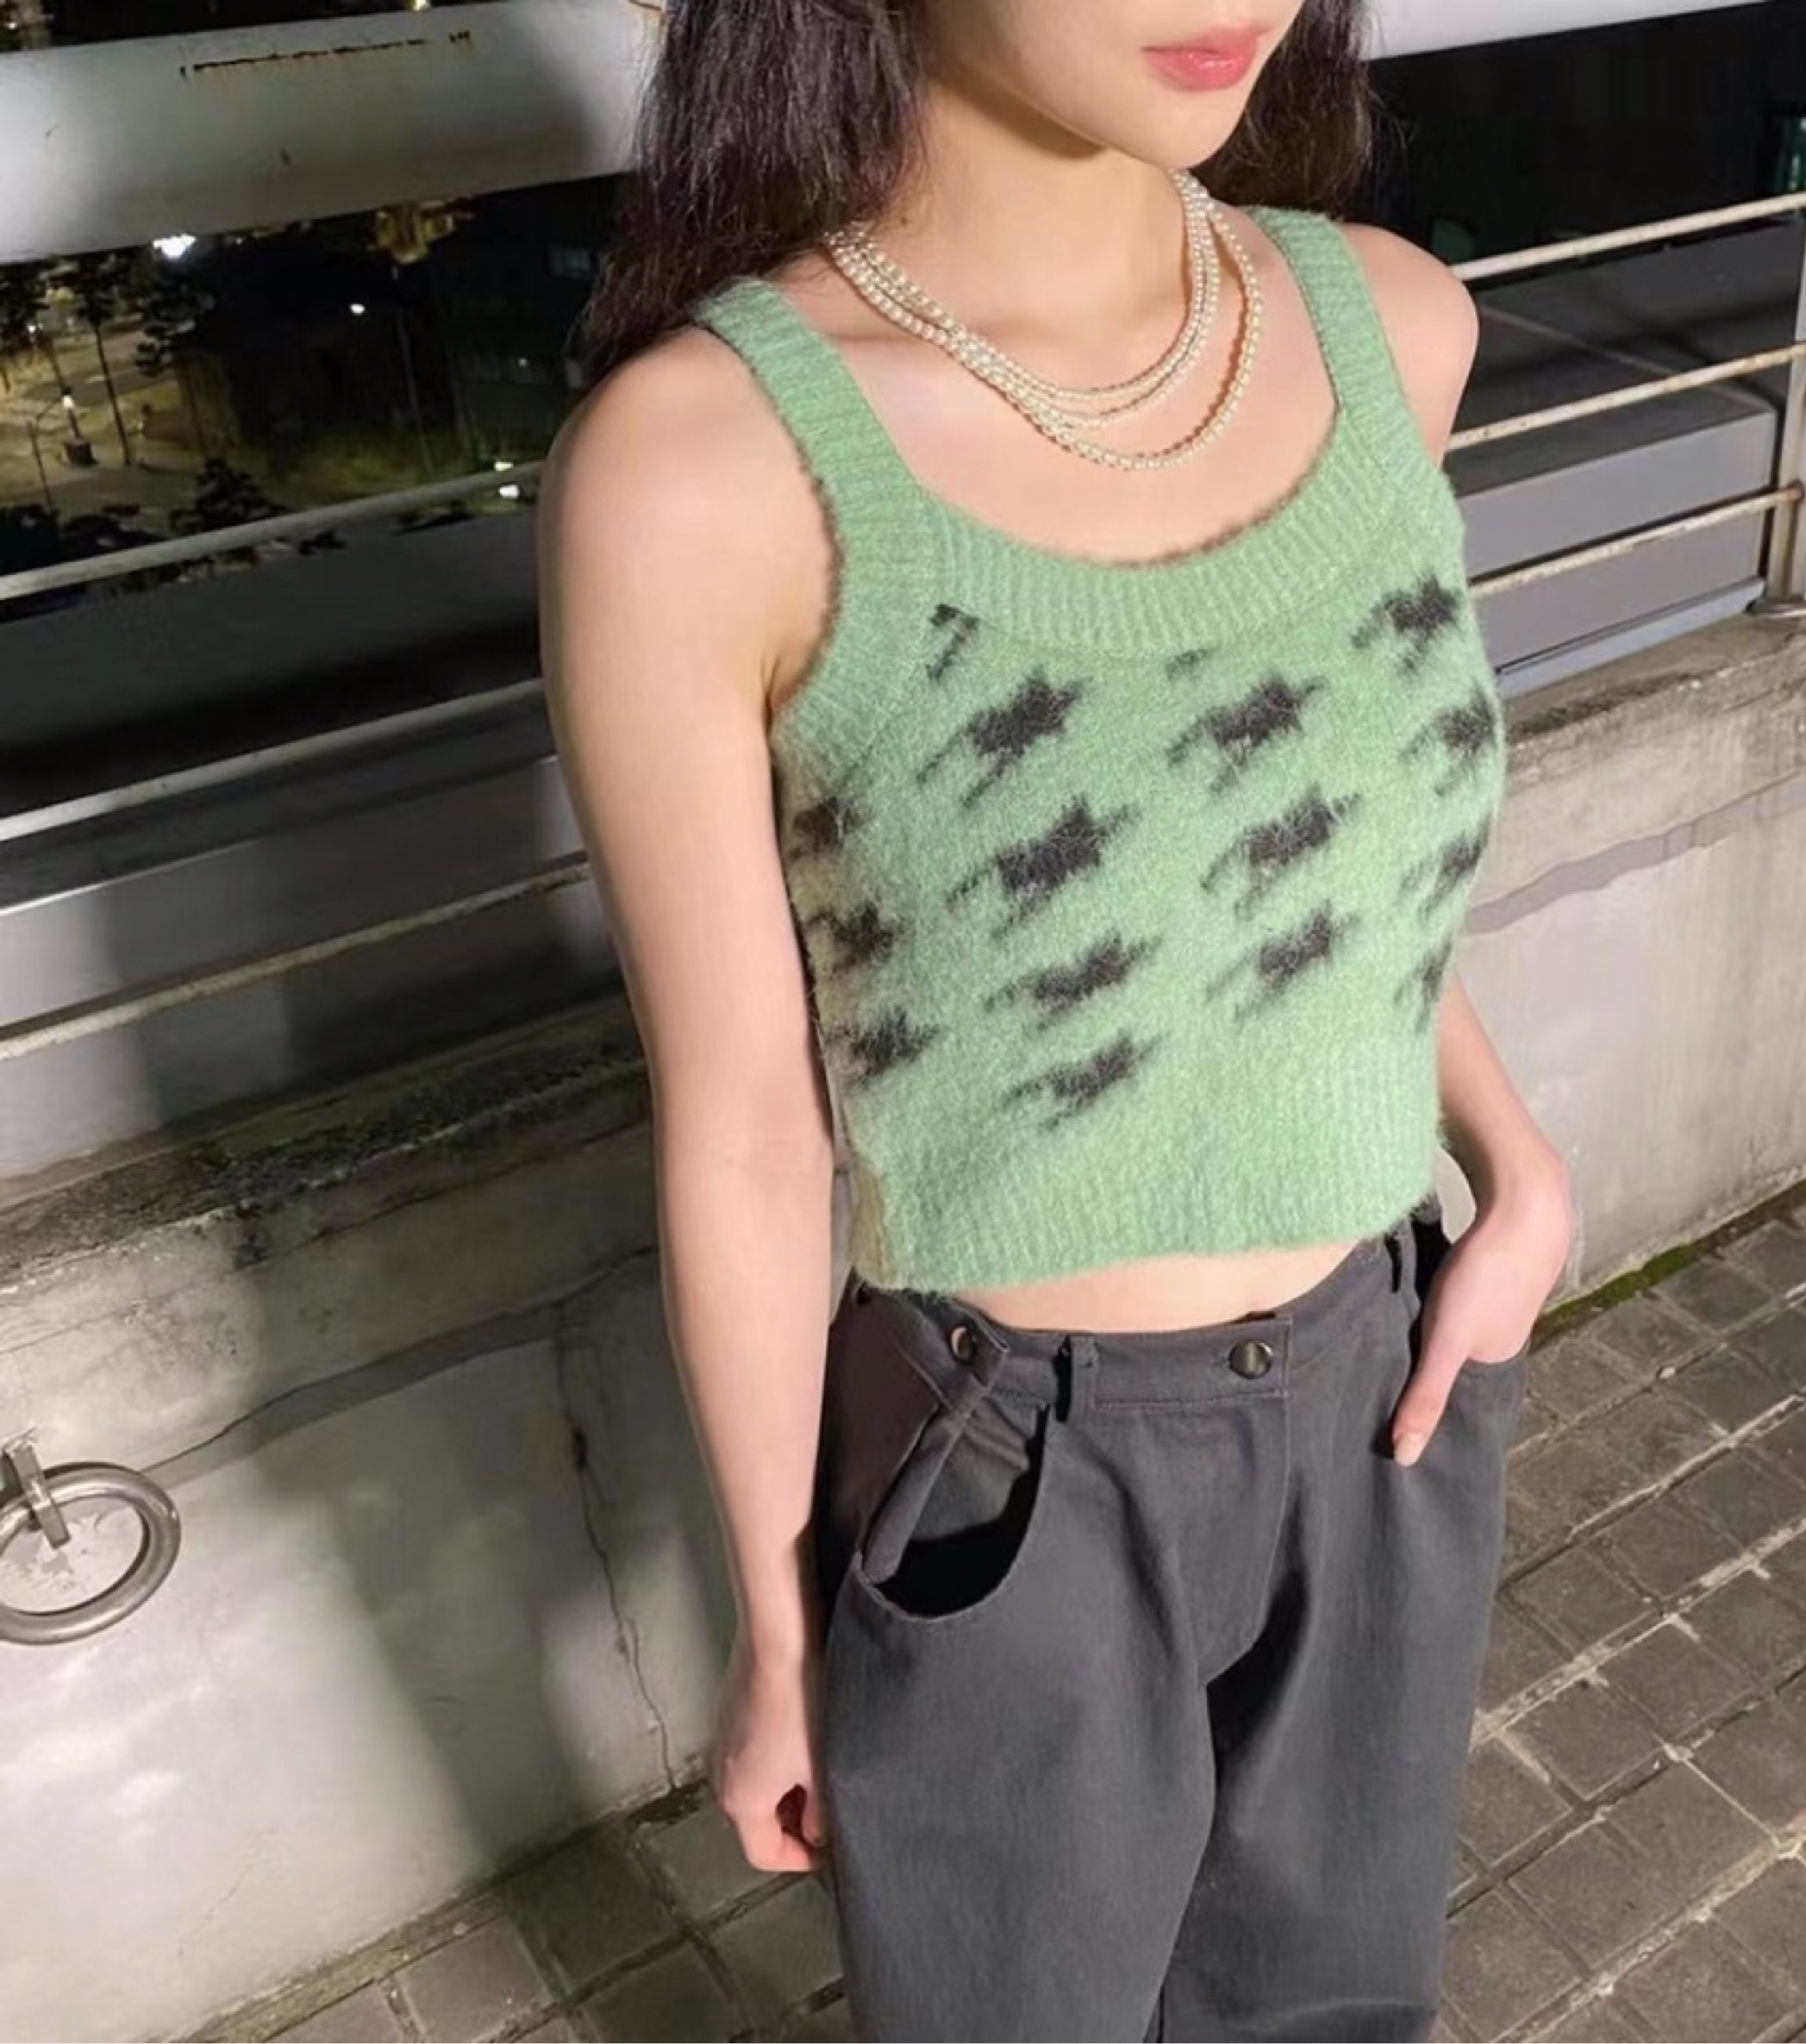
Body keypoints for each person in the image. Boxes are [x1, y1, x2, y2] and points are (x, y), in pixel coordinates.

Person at [537, 3, 1572, 2036]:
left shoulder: (1393, 327)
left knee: (1337, 2014)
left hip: (1383, 1387)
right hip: (1018, 1468)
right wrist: (776, 1621)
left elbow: (1309, 874)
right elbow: (749, 1124)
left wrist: (1517, 1172)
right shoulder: (705, 469)